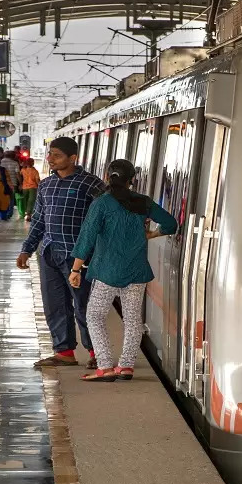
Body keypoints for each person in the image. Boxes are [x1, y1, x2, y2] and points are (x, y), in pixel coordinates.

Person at [70, 159, 178, 382]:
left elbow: (86, 238)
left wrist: (75, 269)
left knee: (94, 316)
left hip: (106, 272)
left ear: (108, 177)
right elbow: (170, 223)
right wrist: (153, 234)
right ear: (132, 180)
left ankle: (105, 366)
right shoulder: (143, 202)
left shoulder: (101, 203)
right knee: (132, 319)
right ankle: (126, 366)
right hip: (136, 271)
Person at [17, 137, 106, 368]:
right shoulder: (46, 185)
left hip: (79, 256)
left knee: (84, 305)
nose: (50, 159)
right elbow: (38, 221)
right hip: (49, 252)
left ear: (73, 158)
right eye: (49, 154)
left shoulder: (91, 185)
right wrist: (26, 249)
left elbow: (106, 218)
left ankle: (97, 352)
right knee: (55, 305)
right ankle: (64, 352)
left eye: (56, 155)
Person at [19, 157, 41, 221]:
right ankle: (29, 214)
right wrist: (40, 186)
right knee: (31, 201)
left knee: (25, 200)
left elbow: (20, 176)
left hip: (24, 187)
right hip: (33, 187)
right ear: (32, 163)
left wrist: (20, 184)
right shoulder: (35, 171)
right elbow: (37, 180)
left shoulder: (23, 170)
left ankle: (24, 213)